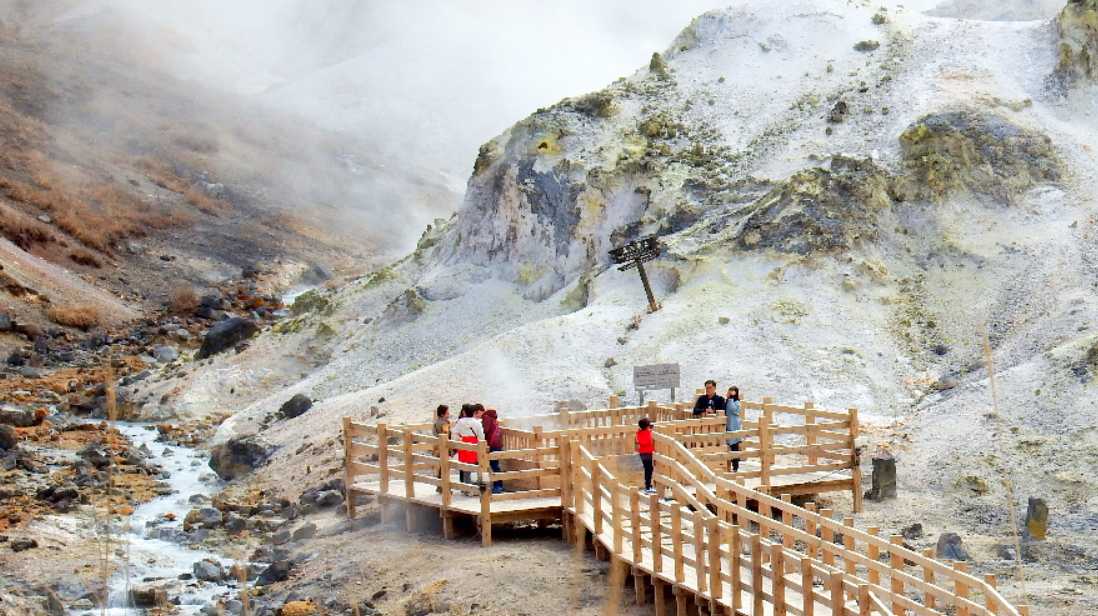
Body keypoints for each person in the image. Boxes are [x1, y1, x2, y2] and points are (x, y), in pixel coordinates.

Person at [451, 404, 485, 485]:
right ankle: (474, 486)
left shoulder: (460, 421)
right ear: (474, 412)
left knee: (465, 466)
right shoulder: (477, 422)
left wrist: (459, 439)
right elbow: (481, 435)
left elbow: (454, 432)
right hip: (474, 443)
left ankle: (466, 487)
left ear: (465, 412)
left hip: (464, 443)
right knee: (474, 465)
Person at [481, 406, 504, 494]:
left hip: (491, 444)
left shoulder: (486, 418)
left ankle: (497, 485)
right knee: (495, 465)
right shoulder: (494, 419)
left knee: (492, 465)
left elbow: (485, 431)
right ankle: (498, 485)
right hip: (497, 443)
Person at [432, 405, 451, 487]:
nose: (449, 414)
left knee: (440, 466)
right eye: (447, 413)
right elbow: (445, 435)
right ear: (443, 414)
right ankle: (443, 487)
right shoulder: (444, 423)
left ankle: (440, 486)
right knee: (444, 468)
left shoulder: (436, 422)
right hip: (443, 447)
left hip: (436, 446)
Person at [725, 387, 743, 472]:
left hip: (734, 426)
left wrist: (731, 398)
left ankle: (735, 466)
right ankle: (729, 464)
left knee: (734, 446)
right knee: (728, 445)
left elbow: (734, 410)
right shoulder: (727, 401)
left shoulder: (737, 403)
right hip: (728, 425)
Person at [636, 417, 656, 494]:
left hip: (642, 453)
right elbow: (647, 441)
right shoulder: (648, 434)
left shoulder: (639, 434)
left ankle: (648, 485)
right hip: (648, 453)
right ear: (647, 426)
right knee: (649, 470)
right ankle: (648, 486)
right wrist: (651, 431)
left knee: (647, 469)